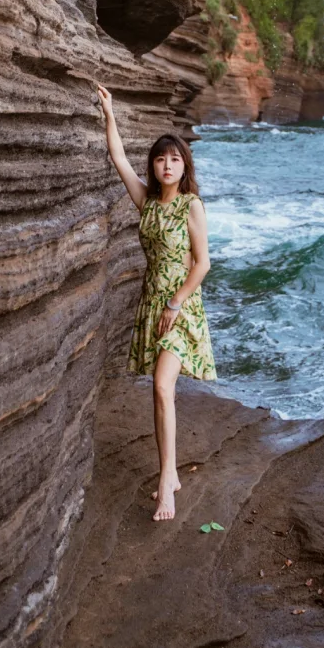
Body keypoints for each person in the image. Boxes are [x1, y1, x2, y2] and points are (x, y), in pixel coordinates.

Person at [96, 84, 216, 521]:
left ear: (185, 166)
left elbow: (202, 263)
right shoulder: (146, 202)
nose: (167, 165)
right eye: (161, 158)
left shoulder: (191, 206)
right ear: (154, 164)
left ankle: (167, 480)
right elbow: (118, 158)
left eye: (175, 158)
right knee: (158, 391)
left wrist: (177, 303)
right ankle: (170, 472)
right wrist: (109, 112)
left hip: (181, 308)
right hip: (153, 304)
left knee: (163, 387)